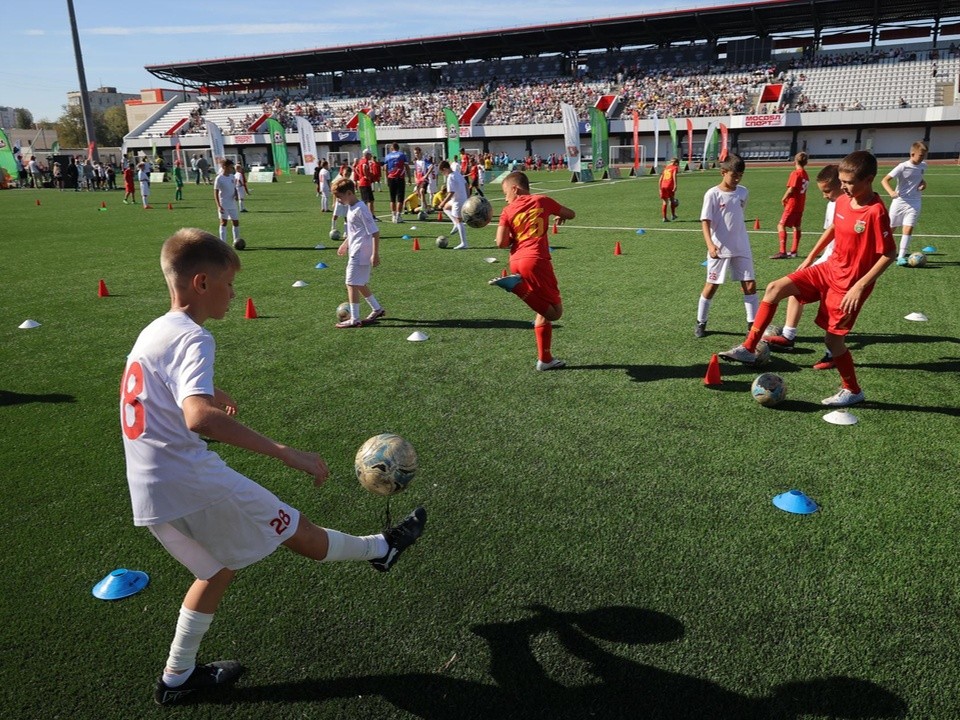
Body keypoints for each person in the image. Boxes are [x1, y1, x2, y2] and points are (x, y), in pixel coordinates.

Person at [120, 228, 426, 706]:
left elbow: (156, 388)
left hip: (148, 486)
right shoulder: (195, 337)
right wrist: (288, 452)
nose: (234, 293)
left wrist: (208, 394)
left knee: (216, 571)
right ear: (201, 283)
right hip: (189, 477)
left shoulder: (155, 328)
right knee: (294, 528)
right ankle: (380, 549)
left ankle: (176, 680)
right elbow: (197, 417)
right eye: (227, 284)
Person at [719, 150, 896, 407]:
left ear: (868, 179)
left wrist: (860, 286)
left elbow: (889, 253)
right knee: (775, 288)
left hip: (850, 283)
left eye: (848, 183)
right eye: (842, 182)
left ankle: (853, 390)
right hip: (828, 268)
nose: (843, 188)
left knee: (832, 340)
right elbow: (834, 229)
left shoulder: (876, 211)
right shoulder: (844, 202)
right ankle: (748, 349)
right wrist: (811, 257)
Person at [487, 171, 576, 371]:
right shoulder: (542, 200)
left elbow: (501, 243)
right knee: (555, 313)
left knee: (542, 310)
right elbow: (571, 213)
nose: (505, 197)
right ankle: (517, 288)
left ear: (514, 188)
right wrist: (560, 216)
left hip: (515, 260)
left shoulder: (508, 210)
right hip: (536, 260)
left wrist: (516, 239)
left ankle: (545, 360)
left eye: (504, 192)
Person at [763, 165, 843, 369]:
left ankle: (832, 354)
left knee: (832, 306)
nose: (824, 196)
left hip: (841, 264)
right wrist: (810, 258)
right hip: (826, 258)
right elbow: (830, 232)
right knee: (794, 285)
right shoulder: (833, 203)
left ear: (842, 184)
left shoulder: (850, 204)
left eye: (827, 191)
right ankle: (788, 337)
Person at [694, 154, 757, 338]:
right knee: (711, 285)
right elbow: (705, 221)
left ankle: (753, 327)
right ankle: (701, 322)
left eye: (740, 176)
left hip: (741, 246)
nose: (737, 179)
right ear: (723, 172)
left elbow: (737, 215)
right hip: (719, 248)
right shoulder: (712, 194)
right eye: (734, 175)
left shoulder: (743, 192)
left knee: (750, 285)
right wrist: (710, 245)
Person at [331, 176, 386, 328]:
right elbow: (354, 231)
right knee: (360, 283)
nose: (338, 201)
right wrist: (345, 244)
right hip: (356, 248)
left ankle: (354, 318)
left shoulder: (361, 209)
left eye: (339, 197)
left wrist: (375, 254)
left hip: (360, 251)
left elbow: (375, 232)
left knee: (350, 283)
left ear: (349, 193)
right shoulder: (351, 207)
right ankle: (377, 309)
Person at [881, 140, 928, 265]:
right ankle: (881, 249)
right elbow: (885, 180)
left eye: (924, 155)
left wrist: (923, 184)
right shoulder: (902, 166)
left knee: (908, 229)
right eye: (921, 155)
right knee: (890, 229)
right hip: (900, 202)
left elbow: (920, 179)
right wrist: (891, 192)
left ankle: (901, 257)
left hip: (915, 202)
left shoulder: (923, 165)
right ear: (912, 154)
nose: (923, 158)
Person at [771, 152, 810, 259]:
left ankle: (782, 251)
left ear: (795, 161)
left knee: (780, 225)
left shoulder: (796, 173)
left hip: (792, 204)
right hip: (801, 204)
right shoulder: (805, 174)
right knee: (796, 226)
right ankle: (794, 251)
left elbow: (791, 189)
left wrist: (784, 198)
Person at [437, 160, 469, 249]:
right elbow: (466, 184)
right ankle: (455, 223)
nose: (443, 174)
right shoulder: (457, 173)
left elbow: (451, 192)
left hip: (458, 201)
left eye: (442, 172)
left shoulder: (450, 177)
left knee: (459, 221)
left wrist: (442, 202)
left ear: (444, 169)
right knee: (446, 208)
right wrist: (468, 197)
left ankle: (464, 243)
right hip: (461, 198)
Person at [215, 159, 241, 245]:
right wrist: (219, 205)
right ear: (224, 167)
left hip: (232, 203)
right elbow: (215, 192)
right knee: (224, 222)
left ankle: (236, 241)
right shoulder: (219, 178)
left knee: (236, 222)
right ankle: (223, 243)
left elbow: (234, 188)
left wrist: (236, 194)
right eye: (230, 167)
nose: (232, 169)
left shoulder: (232, 177)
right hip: (223, 204)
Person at [384, 142, 408, 223]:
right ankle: (398, 216)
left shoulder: (387, 156)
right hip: (400, 178)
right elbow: (406, 166)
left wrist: (386, 178)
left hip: (391, 178)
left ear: (391, 148)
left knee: (392, 198)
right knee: (400, 198)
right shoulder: (402, 155)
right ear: (398, 148)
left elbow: (385, 168)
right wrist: (409, 177)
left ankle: (393, 216)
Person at [353, 149, 376, 217]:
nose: (371, 156)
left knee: (364, 201)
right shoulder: (365, 161)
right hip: (365, 183)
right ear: (367, 154)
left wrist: (360, 176)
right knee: (370, 200)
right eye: (370, 154)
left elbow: (356, 168)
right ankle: (371, 216)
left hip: (362, 182)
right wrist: (366, 176)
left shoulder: (360, 161)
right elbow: (364, 167)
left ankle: (362, 214)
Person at [331, 164, 352, 235]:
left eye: (348, 174)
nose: (346, 175)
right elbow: (334, 192)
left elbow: (351, 194)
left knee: (346, 217)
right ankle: (333, 229)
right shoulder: (338, 181)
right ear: (342, 173)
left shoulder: (350, 182)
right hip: (339, 202)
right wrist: (334, 202)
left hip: (346, 202)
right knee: (335, 216)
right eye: (345, 174)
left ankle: (346, 232)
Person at [658, 157, 680, 222]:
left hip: (663, 186)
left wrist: (659, 188)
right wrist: (675, 185)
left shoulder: (666, 168)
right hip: (669, 186)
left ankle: (664, 218)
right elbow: (674, 176)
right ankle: (673, 215)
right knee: (672, 200)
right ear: (676, 163)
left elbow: (660, 179)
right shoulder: (674, 168)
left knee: (665, 202)